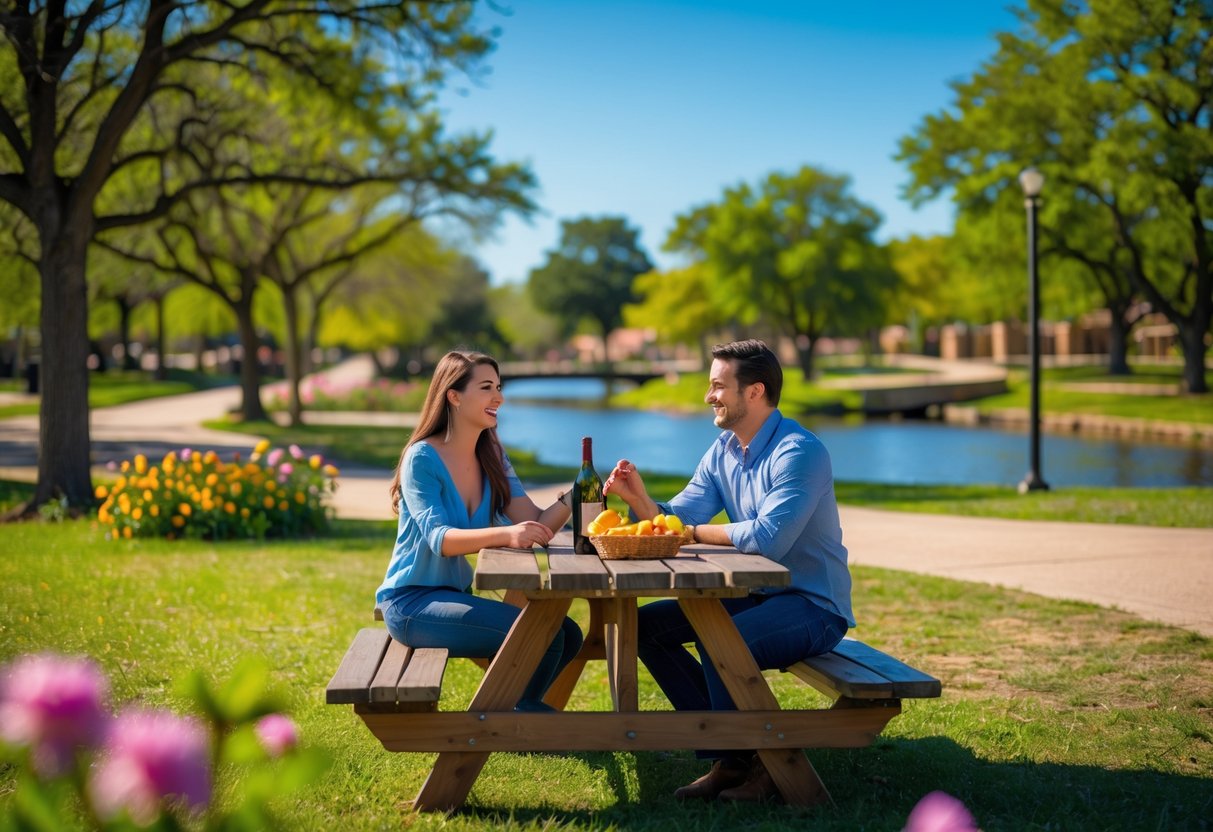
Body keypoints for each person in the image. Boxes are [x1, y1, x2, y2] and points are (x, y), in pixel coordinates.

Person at [603, 339, 854, 802]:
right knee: (643, 628)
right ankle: (735, 756)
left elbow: (767, 539)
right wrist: (639, 499)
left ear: (754, 392)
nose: (708, 396)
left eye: (718, 386)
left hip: (812, 605)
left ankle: (760, 765)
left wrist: (696, 531)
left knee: (723, 639)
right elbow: (675, 516)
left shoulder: (800, 452)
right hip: (753, 595)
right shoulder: (723, 450)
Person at [376, 350, 583, 712]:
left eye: (499, 387)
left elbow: (536, 523)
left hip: (454, 594)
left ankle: (516, 713)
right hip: (411, 603)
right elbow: (440, 540)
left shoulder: (492, 455)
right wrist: (506, 535)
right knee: (541, 634)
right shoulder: (422, 458)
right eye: (486, 387)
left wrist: (578, 493)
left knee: (568, 633)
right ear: (453, 396)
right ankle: (518, 718)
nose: (498, 397)